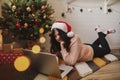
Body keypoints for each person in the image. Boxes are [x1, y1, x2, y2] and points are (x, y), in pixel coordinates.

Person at [50, 20, 116, 66]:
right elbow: (59, 54)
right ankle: (103, 34)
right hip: (83, 48)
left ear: (64, 33)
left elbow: (71, 62)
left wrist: (62, 47)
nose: (58, 38)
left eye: (59, 34)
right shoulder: (58, 41)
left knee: (107, 50)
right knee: (94, 45)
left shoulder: (75, 38)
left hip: (91, 51)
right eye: (55, 36)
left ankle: (99, 32)